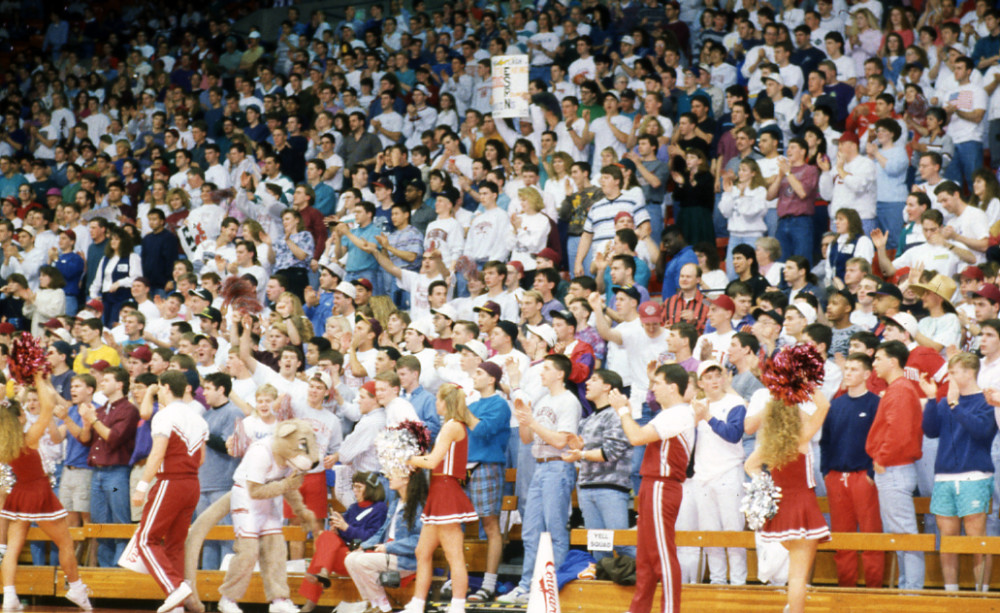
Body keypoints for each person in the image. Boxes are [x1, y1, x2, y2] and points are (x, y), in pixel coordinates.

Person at [745, 348, 831, 613]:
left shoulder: (769, 444)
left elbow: (750, 466)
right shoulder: (803, 436)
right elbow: (824, 405)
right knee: (797, 576)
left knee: (794, 573)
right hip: (803, 508)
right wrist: (804, 383)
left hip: (781, 509)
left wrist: (767, 489)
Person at [1, 372, 93, 612]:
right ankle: (76, 588)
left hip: (19, 493)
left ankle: (9, 596)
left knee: (13, 548)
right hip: (39, 492)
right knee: (65, 542)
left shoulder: (4, 444)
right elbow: (49, 406)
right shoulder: (30, 438)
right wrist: (38, 379)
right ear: (20, 417)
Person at [609, 363, 694, 613]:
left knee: (662, 556)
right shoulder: (670, 413)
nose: (652, 388)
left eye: (656, 383)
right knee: (645, 557)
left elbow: (636, 437)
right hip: (652, 484)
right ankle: (639, 609)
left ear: (672, 386)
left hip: (662, 485)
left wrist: (623, 411)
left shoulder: (678, 413)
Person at [130, 371, 209, 613]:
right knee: (175, 544)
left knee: (145, 540)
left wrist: (142, 486)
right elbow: (202, 459)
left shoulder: (164, 416)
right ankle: (177, 604)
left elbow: (157, 454)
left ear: (165, 388)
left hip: (170, 482)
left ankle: (175, 589)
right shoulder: (199, 418)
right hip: (192, 484)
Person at [919, 352, 997, 592]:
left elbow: (982, 431)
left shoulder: (986, 401)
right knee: (948, 539)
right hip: (944, 476)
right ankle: (951, 594)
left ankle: (981, 595)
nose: (949, 377)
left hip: (975, 475)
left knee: (977, 538)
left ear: (969, 372)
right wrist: (932, 399)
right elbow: (931, 431)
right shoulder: (946, 401)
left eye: (953, 372)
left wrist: (954, 405)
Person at [401, 384, 479, 613]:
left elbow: (431, 462)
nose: (436, 403)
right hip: (439, 489)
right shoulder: (451, 425)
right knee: (422, 552)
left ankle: (457, 606)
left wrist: (405, 457)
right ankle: (417, 604)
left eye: (438, 399)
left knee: (453, 555)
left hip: (446, 490)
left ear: (447, 401)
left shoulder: (452, 426)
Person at [819, 352, 884, 588]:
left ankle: (874, 589)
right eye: (846, 369)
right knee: (842, 537)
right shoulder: (834, 405)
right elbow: (825, 442)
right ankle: (846, 588)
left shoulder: (876, 403)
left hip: (862, 477)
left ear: (867, 374)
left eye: (854, 369)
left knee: (870, 535)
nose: (848, 373)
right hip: (836, 477)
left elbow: (880, 441)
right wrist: (826, 470)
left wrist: (870, 473)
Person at [866, 340, 926, 590]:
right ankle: (906, 588)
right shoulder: (899, 388)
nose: (874, 364)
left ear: (893, 361)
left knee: (905, 535)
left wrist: (881, 458)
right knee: (899, 533)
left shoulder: (900, 389)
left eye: (878, 358)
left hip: (894, 467)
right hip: (894, 467)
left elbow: (898, 431)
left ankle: (911, 592)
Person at [299, 472, 388, 612]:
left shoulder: (380, 508)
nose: (355, 490)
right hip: (345, 553)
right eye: (354, 487)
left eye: (359, 487)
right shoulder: (353, 507)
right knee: (326, 535)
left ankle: (311, 600)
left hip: (362, 556)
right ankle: (323, 572)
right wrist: (337, 530)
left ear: (370, 489)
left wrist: (345, 527)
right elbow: (346, 536)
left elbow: (371, 537)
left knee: (322, 551)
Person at [343, 470, 428, 613]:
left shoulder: (419, 506)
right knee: (350, 559)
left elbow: (419, 540)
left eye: (393, 473)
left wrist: (389, 547)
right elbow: (381, 532)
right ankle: (373, 603)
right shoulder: (395, 503)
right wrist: (363, 547)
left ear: (406, 479)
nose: (389, 477)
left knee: (362, 562)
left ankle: (383, 607)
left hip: (406, 559)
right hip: (389, 553)